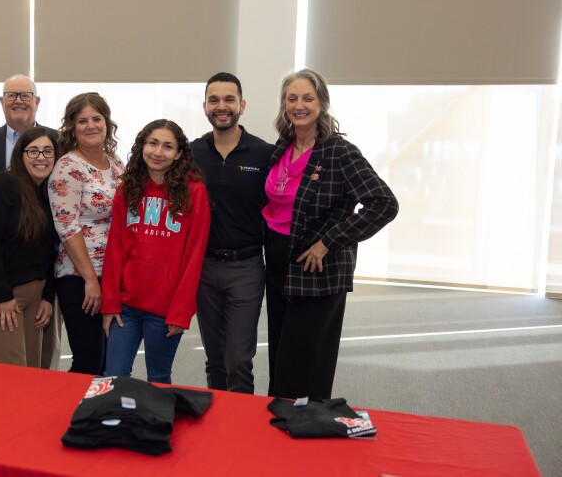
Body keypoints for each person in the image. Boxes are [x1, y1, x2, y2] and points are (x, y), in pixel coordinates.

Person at [263, 68, 398, 399]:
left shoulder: (339, 152)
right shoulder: (282, 147)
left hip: (317, 270)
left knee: (304, 364)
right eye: (292, 98)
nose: (299, 105)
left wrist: (328, 242)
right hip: (278, 264)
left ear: (322, 103)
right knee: (280, 357)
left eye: (307, 98)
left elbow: (384, 204)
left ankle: (304, 423)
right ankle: (279, 421)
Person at [101, 119, 210, 384]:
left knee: (158, 378)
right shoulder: (127, 189)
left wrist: (181, 311)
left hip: (164, 309)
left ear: (179, 153)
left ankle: (156, 416)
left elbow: (194, 256)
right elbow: (115, 248)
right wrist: (110, 302)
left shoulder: (194, 192)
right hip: (125, 307)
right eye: (153, 143)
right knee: (113, 376)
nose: (158, 152)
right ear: (142, 146)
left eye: (167, 146)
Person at [191, 72, 274, 394]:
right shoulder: (192, 153)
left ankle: (241, 419)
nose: (221, 106)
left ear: (242, 105)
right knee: (215, 359)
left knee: (238, 359)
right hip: (204, 268)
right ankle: (217, 418)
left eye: (229, 99)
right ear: (205, 107)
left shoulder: (264, 153)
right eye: (214, 100)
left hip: (247, 268)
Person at [0, 74, 62, 370]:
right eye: (33, 151)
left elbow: (51, 245)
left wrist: (48, 295)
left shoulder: (46, 189)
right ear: (21, 154)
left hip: (35, 287)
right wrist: (2, 295)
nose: (41, 157)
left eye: (47, 152)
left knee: (36, 369)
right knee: (10, 372)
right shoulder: (2, 183)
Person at [48, 92, 124, 375]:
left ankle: (100, 403)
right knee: (88, 359)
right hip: (79, 276)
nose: (91, 125)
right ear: (72, 127)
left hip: (112, 273)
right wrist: (91, 279)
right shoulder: (68, 167)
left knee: (109, 360)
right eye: (82, 121)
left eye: (96, 118)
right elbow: (67, 226)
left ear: (107, 122)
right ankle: (71, 403)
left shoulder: (115, 163)